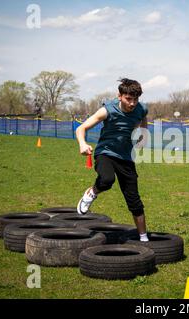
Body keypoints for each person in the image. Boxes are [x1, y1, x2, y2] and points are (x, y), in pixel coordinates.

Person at [76, 78, 149, 242]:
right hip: (105, 153)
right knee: (107, 179)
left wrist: (143, 136)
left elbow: (144, 121)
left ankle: (143, 238)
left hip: (126, 157)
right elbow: (81, 128)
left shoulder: (142, 109)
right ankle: (91, 192)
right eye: (128, 99)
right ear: (119, 96)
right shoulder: (107, 110)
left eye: (135, 99)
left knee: (134, 200)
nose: (132, 103)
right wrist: (82, 144)